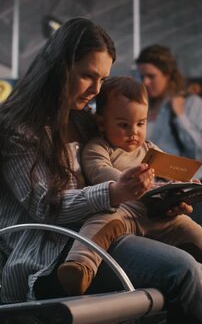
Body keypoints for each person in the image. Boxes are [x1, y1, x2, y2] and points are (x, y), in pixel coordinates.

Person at [0, 18, 202, 324]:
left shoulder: (85, 123)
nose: (97, 90)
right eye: (87, 76)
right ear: (59, 68)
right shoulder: (19, 130)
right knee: (185, 272)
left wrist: (157, 202)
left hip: (102, 236)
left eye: (103, 78)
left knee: (192, 260)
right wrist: (115, 191)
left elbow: (122, 172)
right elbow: (46, 207)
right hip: (53, 256)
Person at [58, 75, 202, 294]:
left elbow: (172, 175)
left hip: (157, 213)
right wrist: (129, 181)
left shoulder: (150, 150)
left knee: (190, 227)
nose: (134, 132)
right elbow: (100, 172)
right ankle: (80, 266)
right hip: (123, 211)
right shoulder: (98, 148)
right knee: (99, 223)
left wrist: (183, 187)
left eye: (141, 123)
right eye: (124, 125)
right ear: (101, 123)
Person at [136, 44, 202, 223]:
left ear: (168, 75)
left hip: (186, 191)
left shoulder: (191, 104)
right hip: (154, 190)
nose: (145, 82)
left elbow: (197, 151)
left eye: (151, 76)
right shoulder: (143, 108)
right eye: (142, 76)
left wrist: (180, 116)